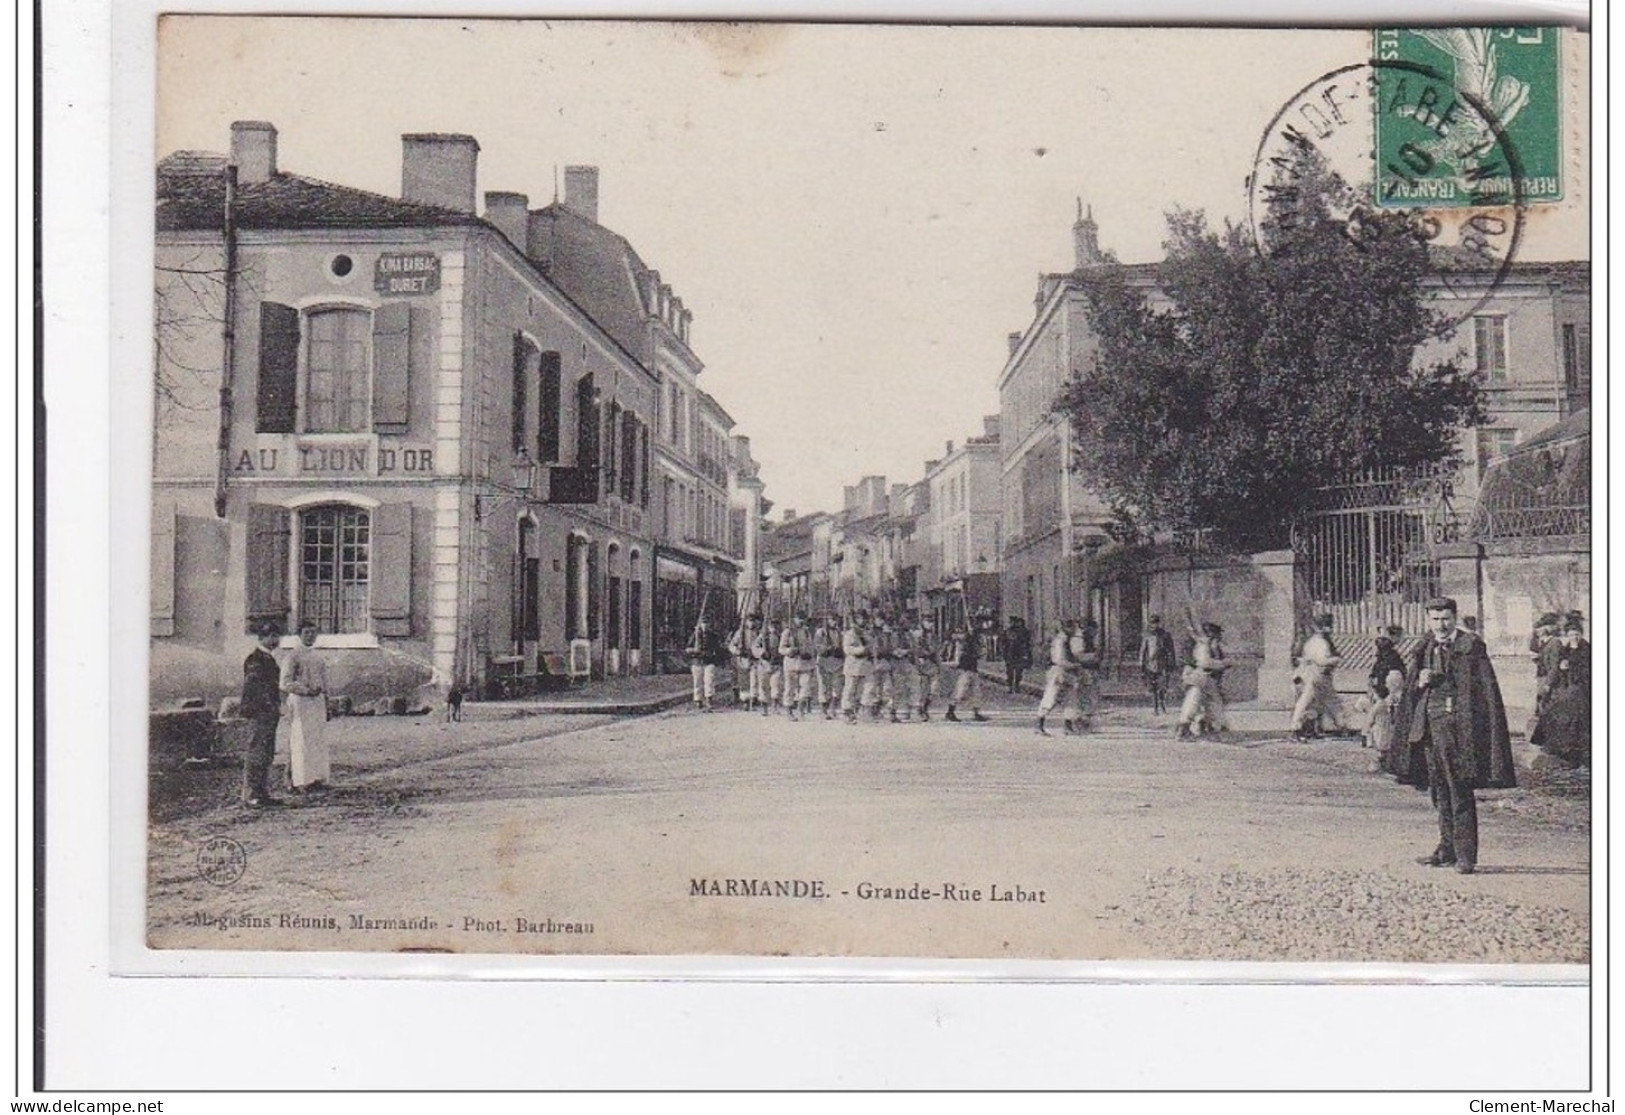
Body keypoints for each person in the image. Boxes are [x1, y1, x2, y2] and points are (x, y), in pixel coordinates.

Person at [1395, 596, 1516, 875]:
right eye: (1435, 619)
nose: (1441, 624)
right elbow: (1412, 688)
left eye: (1446, 618)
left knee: (1459, 789)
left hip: (1458, 733)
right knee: (1438, 791)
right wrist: (1420, 681)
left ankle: (1465, 855)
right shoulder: (1425, 646)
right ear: (1428, 620)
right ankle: (1446, 849)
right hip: (1429, 729)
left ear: (1454, 618)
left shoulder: (1470, 647)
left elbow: (1482, 693)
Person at [1530, 614, 1590, 767]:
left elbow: (1587, 671)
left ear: (1581, 635)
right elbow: (1557, 666)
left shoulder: (1586, 649)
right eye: (1570, 635)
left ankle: (1578, 752)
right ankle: (1559, 749)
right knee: (1553, 710)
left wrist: (1571, 666)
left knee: (1576, 715)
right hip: (1566, 687)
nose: (1573, 638)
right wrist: (1563, 669)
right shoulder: (1565, 648)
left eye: (1576, 634)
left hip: (1582, 688)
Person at [279, 620, 331, 794]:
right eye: (307, 632)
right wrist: (306, 690)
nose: (311, 636)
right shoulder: (293, 656)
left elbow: (324, 682)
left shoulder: (318, 657)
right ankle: (298, 780)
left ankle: (315, 778)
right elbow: (285, 682)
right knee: (300, 739)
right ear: (299, 635)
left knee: (316, 739)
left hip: (317, 702)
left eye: (313, 632)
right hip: (300, 702)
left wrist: (327, 701)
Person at [239, 622, 285, 808]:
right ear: (261, 638)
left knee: (266, 753)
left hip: (268, 713)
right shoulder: (255, 659)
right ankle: (250, 794)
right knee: (256, 752)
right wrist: (268, 705)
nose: (275, 639)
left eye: (277, 635)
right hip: (259, 713)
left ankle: (262, 792)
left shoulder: (268, 658)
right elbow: (255, 688)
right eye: (271, 636)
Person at [1292, 613, 1352, 740]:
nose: (1330, 629)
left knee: (1314, 702)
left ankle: (1303, 727)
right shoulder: (1320, 643)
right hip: (1317, 674)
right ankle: (1298, 726)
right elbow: (1321, 660)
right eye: (1328, 626)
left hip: (1313, 675)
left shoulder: (1313, 641)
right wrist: (1335, 660)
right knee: (1319, 701)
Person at [1176, 620, 1229, 739]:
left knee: (1207, 703)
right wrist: (1222, 664)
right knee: (1198, 702)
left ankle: (1204, 726)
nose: (1219, 637)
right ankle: (1186, 729)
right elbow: (1205, 662)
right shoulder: (1204, 645)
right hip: (1200, 677)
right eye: (1216, 635)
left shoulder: (1210, 645)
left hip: (1206, 678)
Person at [1363, 625, 1407, 754]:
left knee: (1379, 715)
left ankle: (1370, 737)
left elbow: (1377, 669)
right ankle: (1372, 738)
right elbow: (1388, 672)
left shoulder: (1383, 650)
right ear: (1395, 636)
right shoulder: (1391, 654)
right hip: (1387, 687)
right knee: (1382, 716)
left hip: (1381, 685)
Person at [1035, 619, 1078, 737]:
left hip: (1068, 672)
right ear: (1066, 628)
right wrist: (1075, 665)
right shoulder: (1061, 640)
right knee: (1052, 697)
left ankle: (1068, 726)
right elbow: (1058, 659)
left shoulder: (1067, 640)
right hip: (1059, 672)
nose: (1075, 630)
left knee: (1071, 699)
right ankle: (1039, 724)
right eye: (1073, 628)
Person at [945, 613, 989, 723]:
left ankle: (976, 712)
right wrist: (967, 636)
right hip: (965, 666)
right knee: (960, 691)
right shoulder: (965, 635)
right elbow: (954, 637)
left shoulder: (978, 636)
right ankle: (950, 711)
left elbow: (980, 650)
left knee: (976, 692)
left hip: (973, 666)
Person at [780, 612, 818, 721]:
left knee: (805, 688)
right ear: (794, 619)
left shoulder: (807, 632)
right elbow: (781, 649)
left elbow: (811, 647)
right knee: (789, 689)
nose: (800, 621)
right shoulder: (787, 632)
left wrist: (810, 656)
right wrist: (789, 650)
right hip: (791, 664)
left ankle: (801, 711)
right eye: (798, 619)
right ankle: (789, 712)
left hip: (805, 664)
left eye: (803, 619)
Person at [1139, 614, 1178, 715]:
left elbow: (1171, 650)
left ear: (1158, 623)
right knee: (1153, 687)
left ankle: (1162, 705)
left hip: (1162, 664)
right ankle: (1155, 708)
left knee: (1162, 686)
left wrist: (1172, 663)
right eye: (1152, 623)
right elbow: (1143, 650)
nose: (1154, 625)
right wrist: (1141, 664)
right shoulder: (1147, 635)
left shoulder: (1165, 635)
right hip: (1150, 665)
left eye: (1156, 622)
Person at [840, 611, 874, 725]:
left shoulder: (867, 633)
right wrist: (861, 649)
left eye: (864, 618)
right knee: (850, 689)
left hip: (866, 665)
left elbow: (873, 646)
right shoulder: (850, 634)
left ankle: (864, 710)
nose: (863, 620)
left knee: (869, 687)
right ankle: (847, 712)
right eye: (860, 618)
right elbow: (847, 649)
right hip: (853, 664)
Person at [907, 615, 942, 722]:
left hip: (932, 663)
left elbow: (936, 650)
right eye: (927, 621)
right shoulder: (917, 635)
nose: (930, 624)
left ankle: (925, 707)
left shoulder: (934, 636)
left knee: (934, 689)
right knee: (921, 689)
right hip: (921, 662)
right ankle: (919, 710)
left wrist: (938, 663)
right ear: (922, 622)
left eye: (931, 621)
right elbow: (914, 649)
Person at [687, 617, 725, 712]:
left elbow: (718, 649)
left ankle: (709, 699)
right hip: (697, 661)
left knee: (709, 680)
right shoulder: (694, 636)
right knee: (697, 681)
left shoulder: (713, 636)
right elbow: (687, 648)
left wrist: (716, 656)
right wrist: (694, 651)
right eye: (703, 623)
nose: (705, 625)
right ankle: (698, 700)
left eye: (707, 623)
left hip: (709, 661)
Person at [1072, 618, 1103, 731]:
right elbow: (1078, 656)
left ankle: (1085, 724)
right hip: (1085, 671)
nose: (1096, 632)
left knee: (1088, 698)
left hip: (1090, 671)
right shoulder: (1081, 640)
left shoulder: (1087, 639)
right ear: (1090, 629)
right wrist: (1094, 656)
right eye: (1095, 629)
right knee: (1086, 698)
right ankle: (1082, 724)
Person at [814, 614, 844, 721]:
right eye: (832, 620)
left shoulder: (840, 632)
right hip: (824, 661)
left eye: (836, 620)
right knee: (824, 687)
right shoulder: (821, 632)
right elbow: (817, 646)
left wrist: (839, 650)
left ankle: (833, 709)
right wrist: (826, 648)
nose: (834, 622)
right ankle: (823, 710)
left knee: (837, 687)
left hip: (837, 661)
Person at [728, 615, 757, 711]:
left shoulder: (758, 632)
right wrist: (737, 651)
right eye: (749, 621)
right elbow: (732, 645)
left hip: (755, 658)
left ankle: (754, 698)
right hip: (743, 658)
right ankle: (745, 700)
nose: (751, 623)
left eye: (753, 621)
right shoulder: (740, 633)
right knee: (744, 680)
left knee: (754, 679)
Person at [1003, 616, 1033, 694]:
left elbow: (1026, 643)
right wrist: (1004, 654)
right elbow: (1004, 643)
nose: (1011, 623)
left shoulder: (1022, 631)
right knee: (1010, 672)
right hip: (1010, 654)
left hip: (1018, 654)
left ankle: (1016, 685)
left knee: (1018, 672)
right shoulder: (1007, 631)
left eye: (1012, 622)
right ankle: (1010, 686)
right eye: (1010, 622)